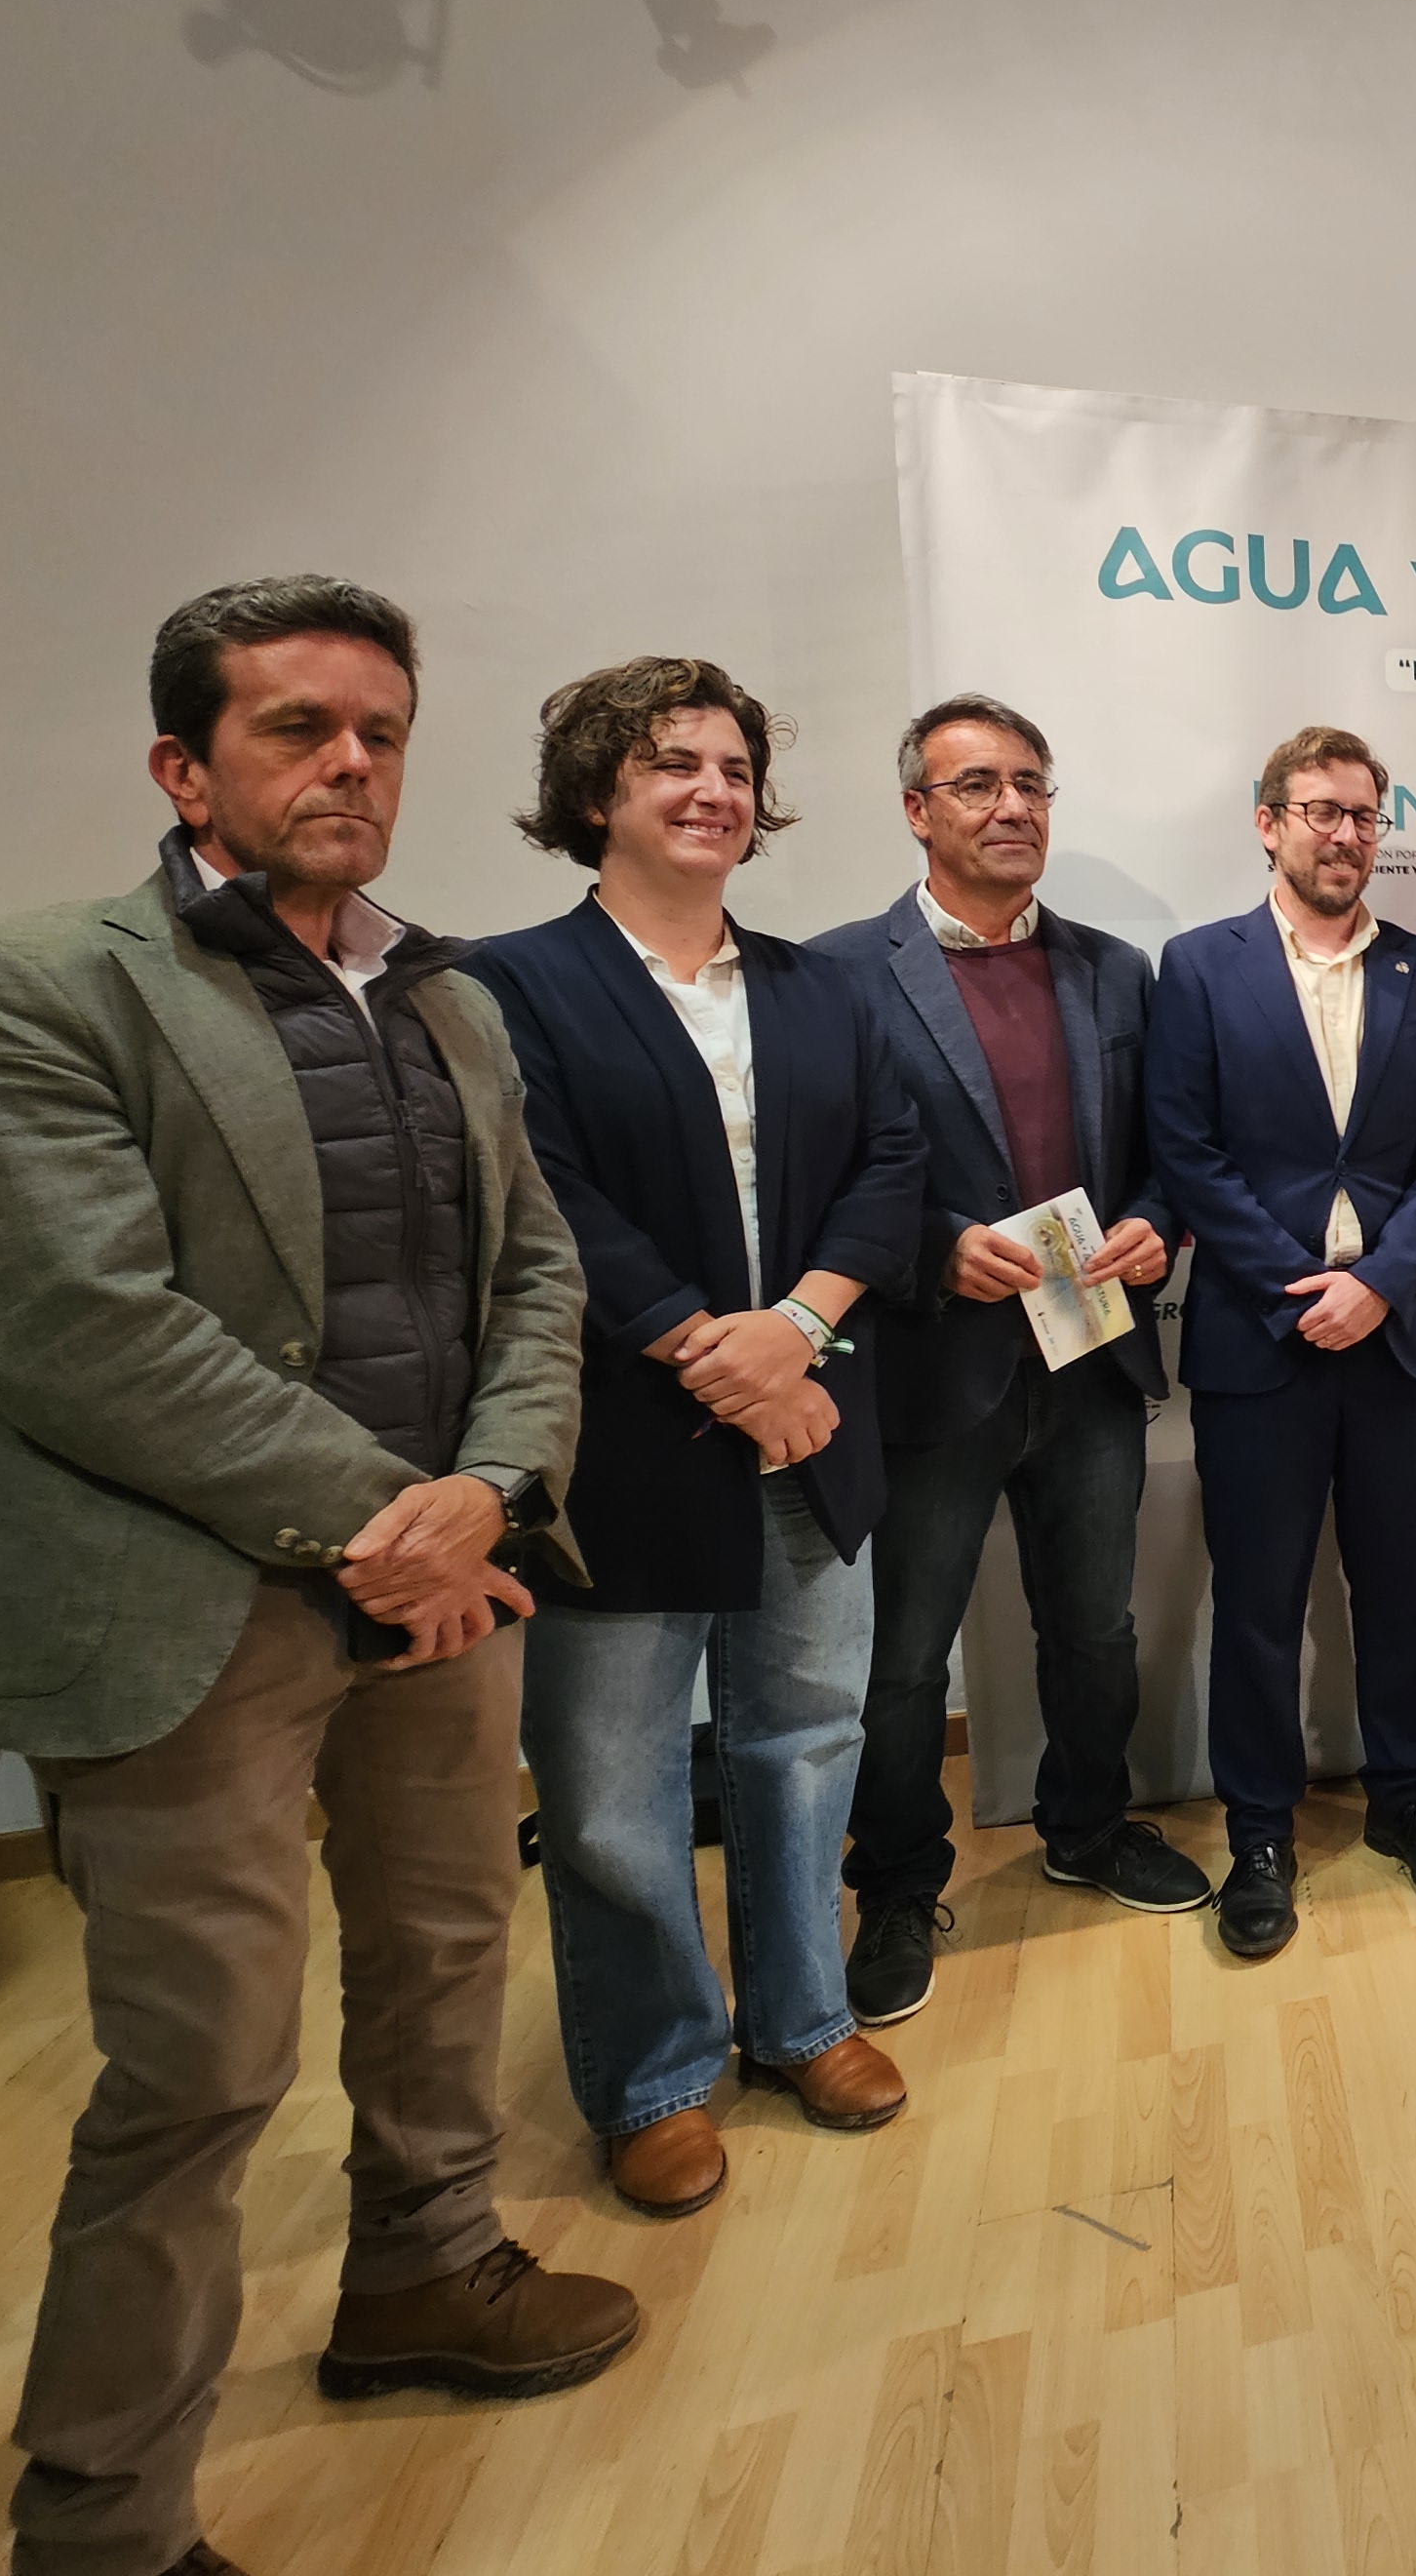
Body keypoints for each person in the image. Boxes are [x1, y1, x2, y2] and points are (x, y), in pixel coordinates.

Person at [0, 576, 635, 2576]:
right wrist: (396, 1521)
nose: (350, 763)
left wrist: (490, 1490)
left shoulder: (447, 998)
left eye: (380, 731)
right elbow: (73, 1327)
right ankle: (105, 2517)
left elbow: (535, 1272)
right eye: (297, 727)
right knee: (197, 2069)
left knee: (447, 1959)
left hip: (446, 1589)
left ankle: (425, 2274)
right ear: (183, 766)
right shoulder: (10, 984)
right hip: (189, 1606)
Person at [467, 658, 926, 2222]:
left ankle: (803, 2020)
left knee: (804, 1740)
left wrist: (794, 1330)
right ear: (597, 791)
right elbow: (539, 1193)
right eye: (674, 762)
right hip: (621, 1443)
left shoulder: (817, 988)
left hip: (813, 1416)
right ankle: (656, 2075)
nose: (714, 791)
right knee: (610, 1788)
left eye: (734, 767)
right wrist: (709, 1352)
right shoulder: (510, 986)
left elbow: (891, 1164)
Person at [811, 696, 1202, 2028]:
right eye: (978, 785)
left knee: (1095, 1628)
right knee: (906, 1661)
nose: (1012, 807)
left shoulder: (1115, 971)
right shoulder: (838, 974)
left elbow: (1163, 1154)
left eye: (1031, 783)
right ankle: (897, 1885)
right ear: (917, 811)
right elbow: (822, 1176)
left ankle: (1086, 1828)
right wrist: (932, 1249)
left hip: (1088, 1361)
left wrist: (1157, 1223)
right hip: (932, 1371)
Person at [1148, 725, 1416, 1959]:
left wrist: (1384, 1284)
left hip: (1398, 1341)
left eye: (1362, 816)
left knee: (1400, 1587)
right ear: (1269, 823)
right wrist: (1301, 1289)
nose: (1345, 835)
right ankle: (1259, 1834)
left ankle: (1404, 1798)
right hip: (1262, 1340)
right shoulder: (1200, 966)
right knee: (1258, 1602)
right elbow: (1187, 1151)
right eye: (1320, 812)